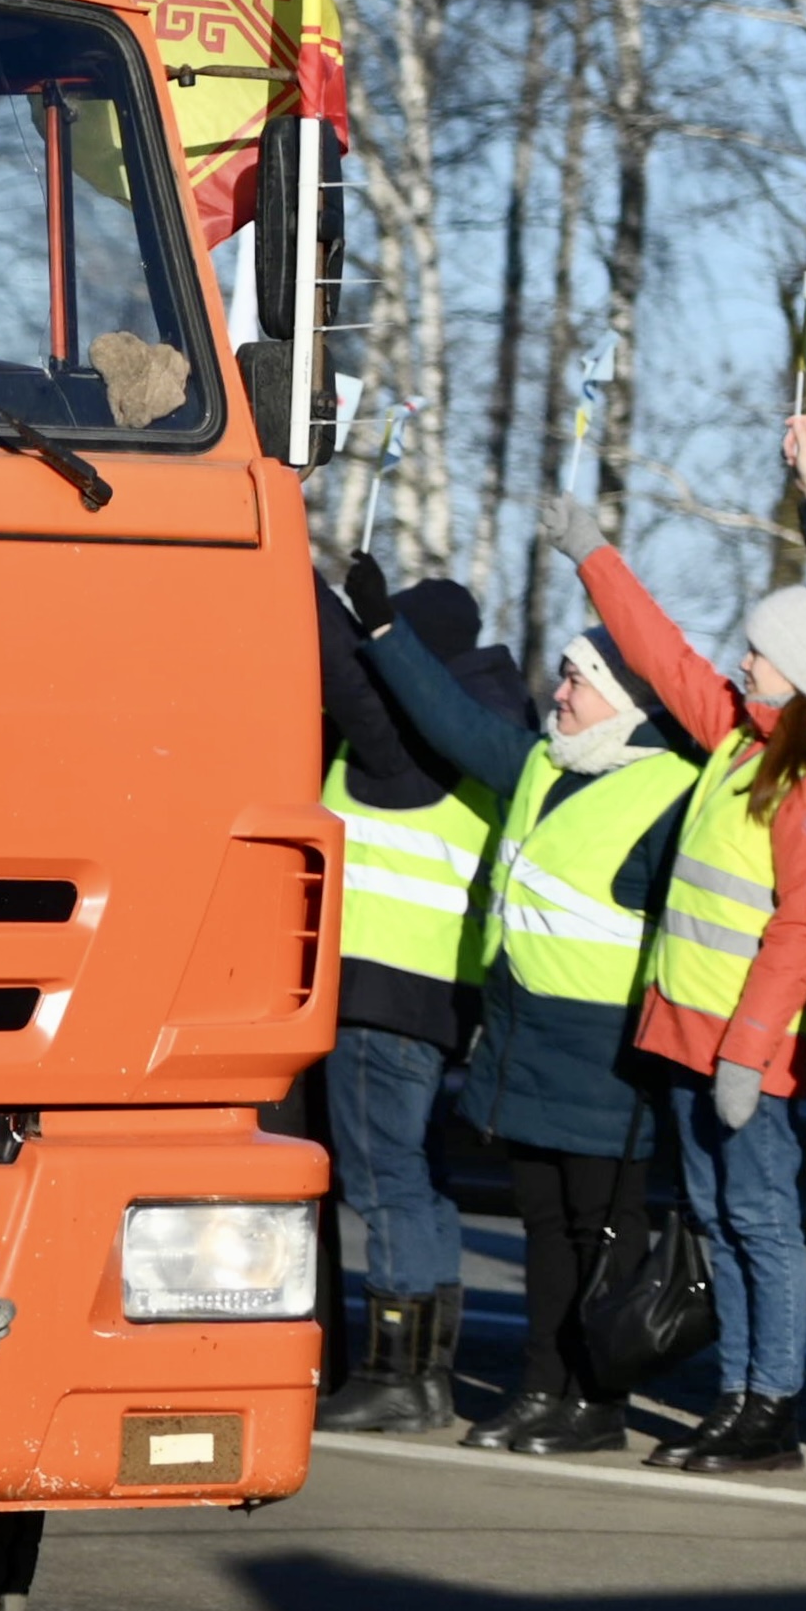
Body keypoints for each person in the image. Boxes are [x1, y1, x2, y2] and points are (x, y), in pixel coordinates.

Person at [572, 465, 806, 1473]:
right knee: (714, 1216)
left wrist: (747, 1054)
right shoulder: (745, 740)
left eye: (760, 650)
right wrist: (594, 557)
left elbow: (796, 932)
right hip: (687, 1036)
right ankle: (736, 1395)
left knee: (760, 1221)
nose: (743, 659)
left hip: (747, 1055)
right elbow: (664, 658)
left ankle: (770, 1406)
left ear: (803, 668)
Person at [370, 603, 696, 1453]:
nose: (560, 693)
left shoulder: (670, 789)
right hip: (527, 1046)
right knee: (546, 1230)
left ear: (623, 697)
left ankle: (597, 1402)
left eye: (578, 680)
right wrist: (382, 633)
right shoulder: (549, 765)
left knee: (602, 1234)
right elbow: (453, 724)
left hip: (608, 1057)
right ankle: (542, 1388)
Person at [316, 553, 501, 1431]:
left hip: (377, 996)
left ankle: (395, 1374)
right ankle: (427, 1376)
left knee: (384, 1182)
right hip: (437, 1002)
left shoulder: (398, 750)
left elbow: (338, 666)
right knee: (420, 1182)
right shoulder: (473, 740)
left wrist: (292, 558)